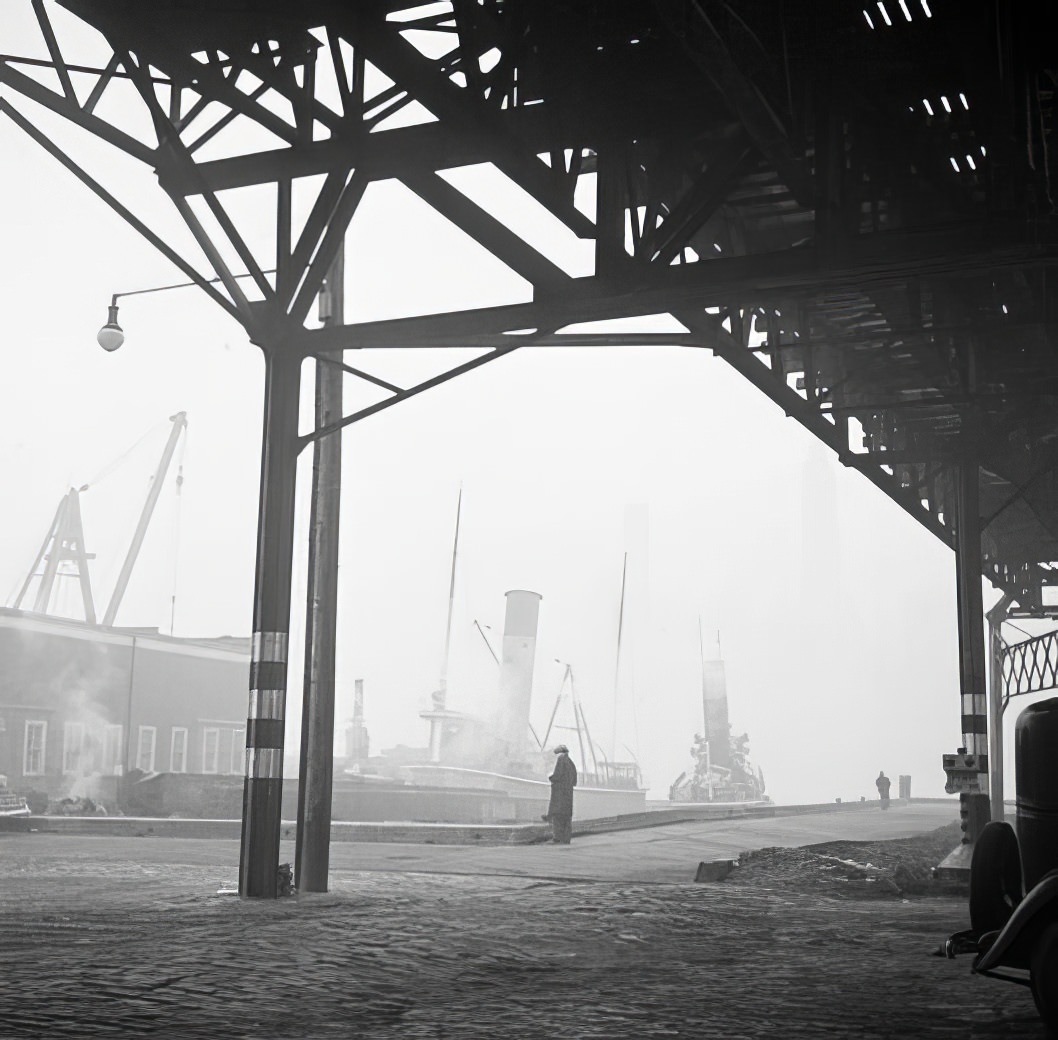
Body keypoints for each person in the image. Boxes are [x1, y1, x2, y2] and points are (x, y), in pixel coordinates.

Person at [543, 744, 577, 844]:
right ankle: (566, 839)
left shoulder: (561, 760)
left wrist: (551, 778)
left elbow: (557, 775)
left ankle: (557, 838)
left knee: (557, 816)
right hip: (568, 794)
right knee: (567, 817)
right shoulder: (571, 763)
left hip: (559, 793)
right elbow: (574, 780)